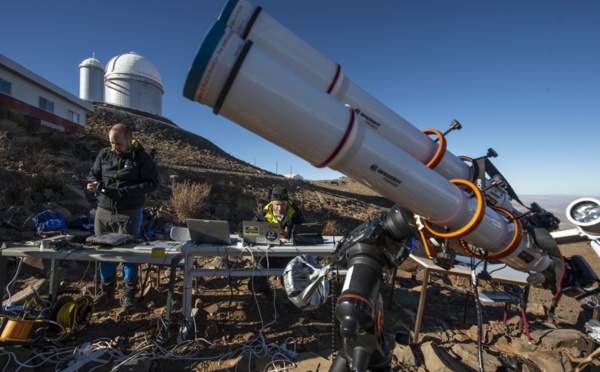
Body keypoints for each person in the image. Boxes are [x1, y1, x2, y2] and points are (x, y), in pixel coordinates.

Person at [86, 124, 159, 312]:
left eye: (118, 143)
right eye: (111, 142)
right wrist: (93, 184)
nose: (114, 147)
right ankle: (106, 292)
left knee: (128, 253)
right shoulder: (104, 154)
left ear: (129, 140)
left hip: (129, 211)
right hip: (103, 210)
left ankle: (128, 295)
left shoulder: (141, 158)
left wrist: (123, 192)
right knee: (104, 252)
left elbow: (152, 183)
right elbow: (93, 173)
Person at [249, 185, 305, 295]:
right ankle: (265, 285)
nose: (279, 208)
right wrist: (270, 235)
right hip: (269, 254)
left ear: (287, 202)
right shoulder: (264, 213)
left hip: (290, 254)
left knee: (294, 287)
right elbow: (249, 229)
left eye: (283, 204)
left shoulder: (295, 212)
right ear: (272, 202)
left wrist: (290, 234)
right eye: (277, 205)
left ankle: (287, 288)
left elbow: (304, 230)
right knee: (254, 286)